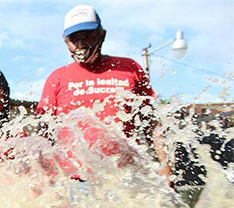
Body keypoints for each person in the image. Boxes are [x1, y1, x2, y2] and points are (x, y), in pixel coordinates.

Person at [36, 5, 169, 178]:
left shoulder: (129, 68)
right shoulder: (57, 78)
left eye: (87, 36)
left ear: (102, 35)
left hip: (126, 176)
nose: (81, 44)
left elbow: (151, 123)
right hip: (75, 180)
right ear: (65, 42)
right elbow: (43, 134)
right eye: (73, 39)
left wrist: (165, 167)